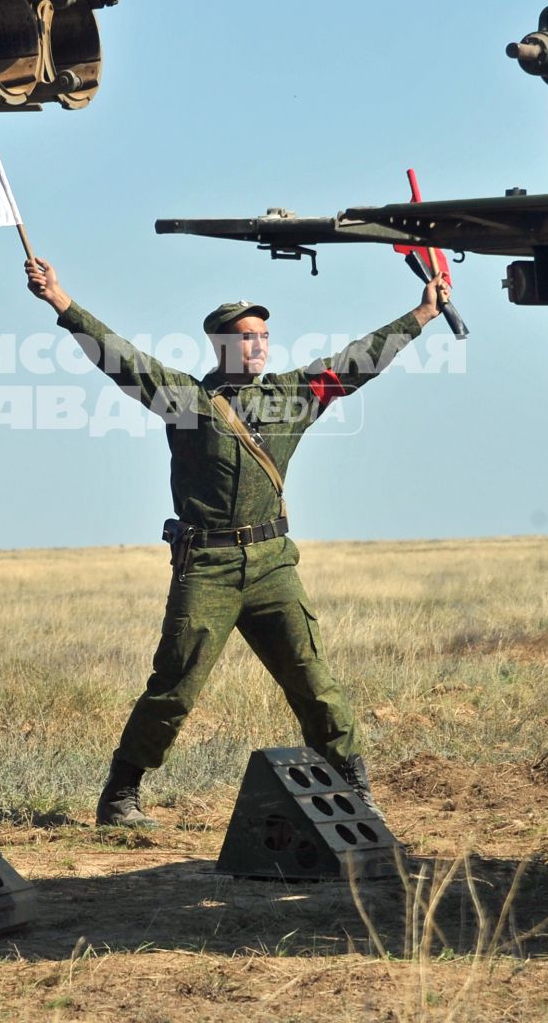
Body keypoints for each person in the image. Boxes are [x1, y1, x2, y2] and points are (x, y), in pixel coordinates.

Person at [24, 256, 448, 827]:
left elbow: (359, 360)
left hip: (274, 565)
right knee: (174, 687)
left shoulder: (294, 395)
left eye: (264, 337)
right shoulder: (187, 401)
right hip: (208, 567)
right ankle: (121, 794)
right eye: (246, 338)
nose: (258, 346)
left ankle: (354, 788)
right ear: (220, 346)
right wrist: (61, 303)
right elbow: (123, 361)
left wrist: (421, 313)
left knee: (314, 682)